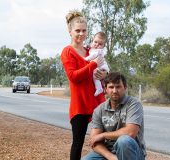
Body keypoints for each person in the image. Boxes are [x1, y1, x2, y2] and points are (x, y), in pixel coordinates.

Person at [60, 10, 108, 160]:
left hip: (97, 102)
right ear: (70, 31)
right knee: (78, 143)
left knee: (103, 141)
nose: (81, 33)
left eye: (84, 30)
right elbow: (73, 77)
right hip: (80, 105)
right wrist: (92, 65)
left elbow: (101, 71)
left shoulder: (90, 50)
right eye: (77, 30)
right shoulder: (67, 52)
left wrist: (104, 75)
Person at [82, 72, 146, 160]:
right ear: (105, 89)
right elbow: (94, 141)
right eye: (111, 87)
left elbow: (130, 132)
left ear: (125, 88)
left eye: (118, 87)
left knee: (123, 141)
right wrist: (111, 157)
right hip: (109, 152)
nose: (115, 91)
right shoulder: (99, 110)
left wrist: (103, 135)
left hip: (132, 153)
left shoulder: (133, 104)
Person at [85, 32, 110, 96]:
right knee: (96, 76)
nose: (97, 45)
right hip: (100, 66)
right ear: (92, 41)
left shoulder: (98, 51)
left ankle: (99, 88)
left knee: (95, 75)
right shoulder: (92, 47)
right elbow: (88, 46)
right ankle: (102, 88)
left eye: (100, 44)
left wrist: (85, 59)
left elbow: (92, 56)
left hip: (102, 67)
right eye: (95, 42)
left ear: (103, 46)